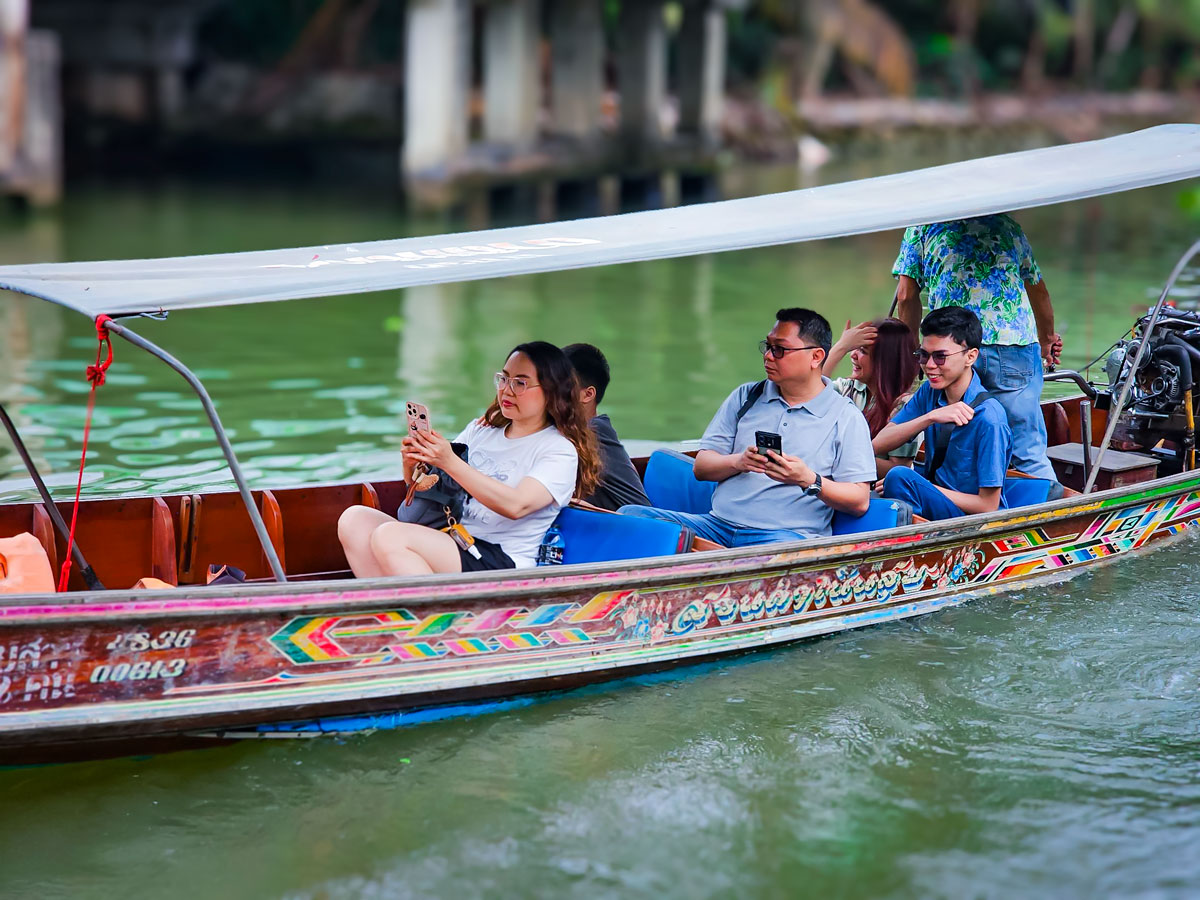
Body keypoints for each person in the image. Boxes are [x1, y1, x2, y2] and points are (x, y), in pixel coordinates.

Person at [620, 308, 876, 546]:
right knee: (628, 516)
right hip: (716, 525)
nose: (768, 355)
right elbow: (702, 467)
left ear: (816, 357)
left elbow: (859, 500)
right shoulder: (746, 396)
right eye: (767, 346)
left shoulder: (846, 417)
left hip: (783, 537)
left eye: (780, 349)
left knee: (778, 552)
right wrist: (738, 462)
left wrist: (808, 479)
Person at [338, 342, 600, 575]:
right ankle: (394, 610)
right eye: (504, 379)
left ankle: (434, 623)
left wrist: (449, 460)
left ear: (552, 392)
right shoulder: (481, 430)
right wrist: (414, 466)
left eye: (520, 383)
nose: (507, 391)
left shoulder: (559, 450)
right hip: (456, 538)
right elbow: (434, 487)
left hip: (503, 559)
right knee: (354, 520)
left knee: (390, 537)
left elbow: (516, 505)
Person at [892, 213, 1060, 480]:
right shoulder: (1007, 225)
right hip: (1011, 345)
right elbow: (1038, 289)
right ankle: (1047, 511)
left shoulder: (922, 226)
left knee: (955, 434)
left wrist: (918, 355)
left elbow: (905, 295)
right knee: (1026, 449)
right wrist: (1047, 338)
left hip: (951, 347)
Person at [874, 307, 1012, 520]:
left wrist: (921, 486)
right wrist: (930, 417)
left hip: (970, 520)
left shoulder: (989, 418)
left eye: (940, 357)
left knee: (899, 476)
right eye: (923, 355)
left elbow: (988, 506)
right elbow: (877, 444)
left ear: (970, 356)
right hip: (937, 501)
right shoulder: (929, 391)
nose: (929, 366)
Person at [824, 316, 922, 477]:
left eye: (862, 351)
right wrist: (841, 347)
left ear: (885, 361)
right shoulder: (848, 389)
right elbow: (808, 391)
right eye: (853, 348)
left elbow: (897, 469)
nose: (852, 355)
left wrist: (839, 454)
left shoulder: (904, 405)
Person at [563, 342, 651, 511]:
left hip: (632, 529)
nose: (547, 391)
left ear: (587, 394)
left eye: (559, 385)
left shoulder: (593, 432)